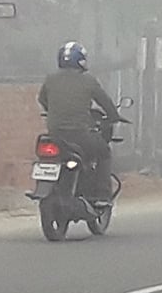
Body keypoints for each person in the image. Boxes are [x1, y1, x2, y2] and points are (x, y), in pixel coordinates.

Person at [37, 42, 121, 202]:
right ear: (81, 61)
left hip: (55, 136)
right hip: (81, 136)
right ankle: (102, 196)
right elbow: (105, 102)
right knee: (104, 153)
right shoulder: (88, 81)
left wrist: (53, 111)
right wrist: (114, 116)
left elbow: (42, 99)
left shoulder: (50, 79)